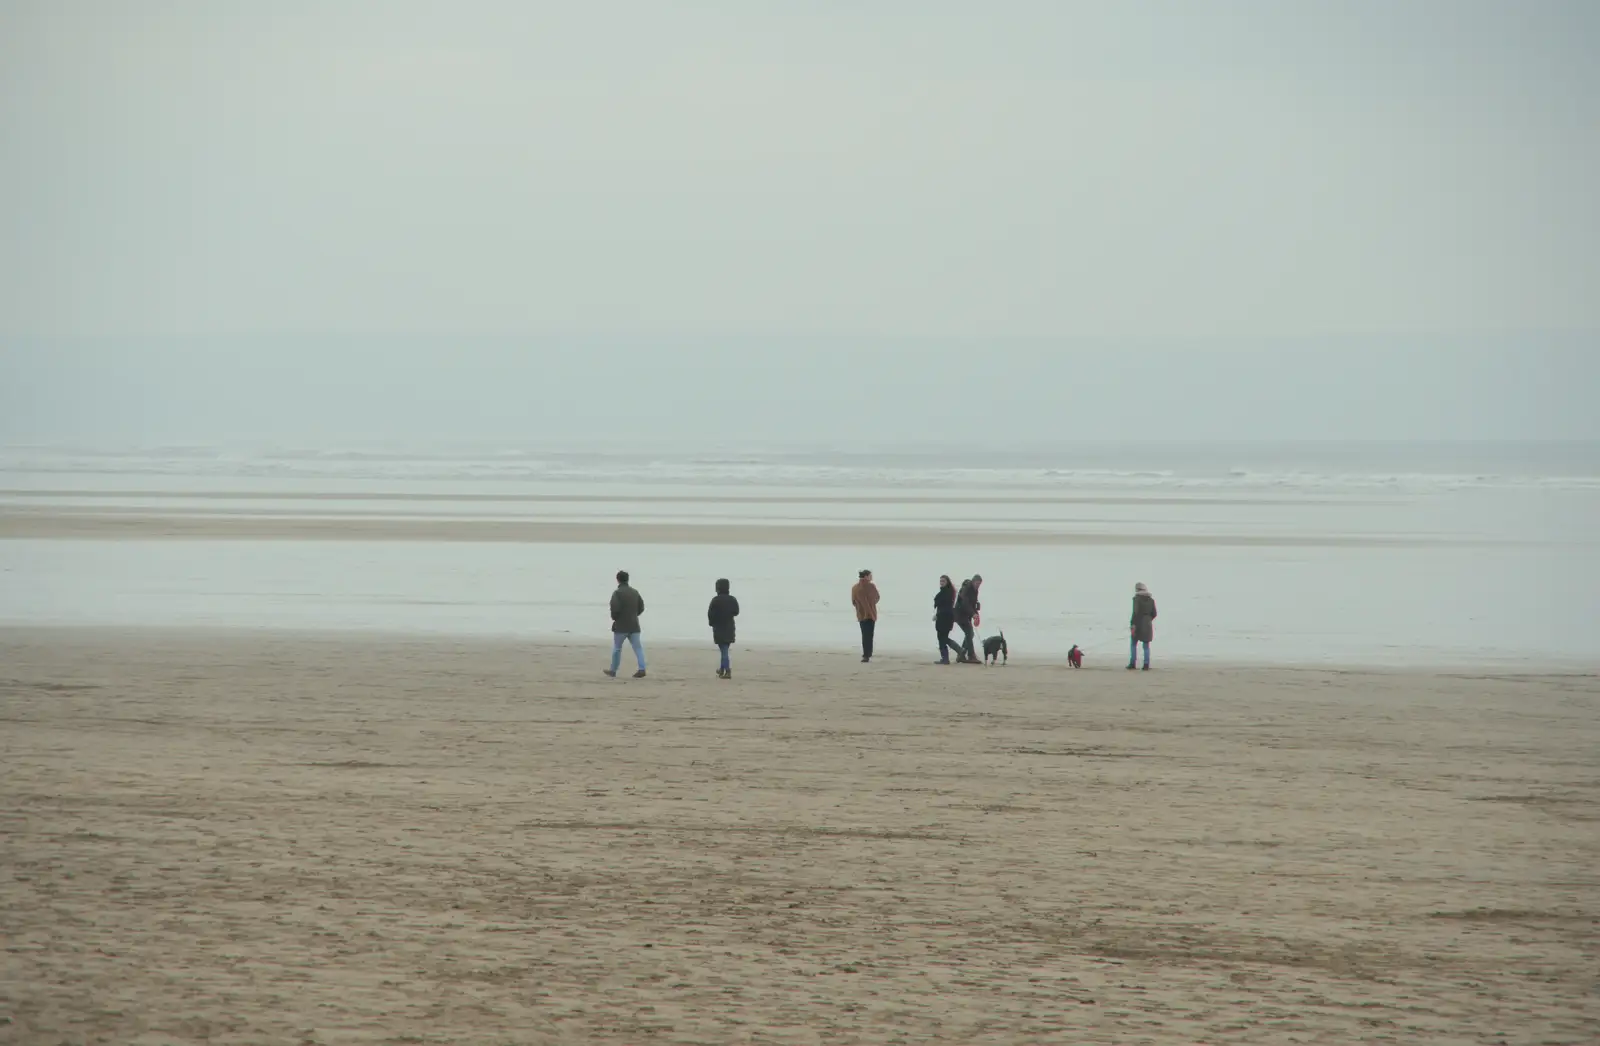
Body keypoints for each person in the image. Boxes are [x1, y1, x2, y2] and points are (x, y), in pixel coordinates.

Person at [605, 570, 646, 678]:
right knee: (638, 648)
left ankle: (613, 670)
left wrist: (615, 618)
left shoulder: (617, 593)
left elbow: (614, 608)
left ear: (617, 580)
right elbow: (641, 607)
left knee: (617, 648)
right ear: (627, 579)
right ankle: (642, 668)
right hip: (634, 625)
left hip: (621, 626)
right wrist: (634, 615)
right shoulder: (635, 592)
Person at [707, 578, 740, 679]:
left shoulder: (715, 600)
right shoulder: (732, 599)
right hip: (730, 627)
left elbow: (710, 614)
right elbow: (736, 612)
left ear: (718, 588)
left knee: (724, 650)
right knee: (724, 649)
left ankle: (727, 670)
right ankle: (722, 670)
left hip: (719, 628)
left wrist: (711, 623)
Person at [851, 569, 880, 662]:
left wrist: (860, 607)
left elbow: (853, 601)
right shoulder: (871, 586)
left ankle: (865, 655)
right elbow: (877, 598)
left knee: (864, 635)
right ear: (866, 576)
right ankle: (868, 654)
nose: (871, 577)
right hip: (870, 614)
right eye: (870, 576)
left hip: (861, 614)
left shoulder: (855, 587)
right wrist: (870, 604)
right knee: (869, 635)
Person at [1128, 582, 1157, 670]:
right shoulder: (1151, 600)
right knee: (1146, 645)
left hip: (1138, 623)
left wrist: (1132, 624)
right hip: (1147, 624)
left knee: (1133, 643)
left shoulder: (1136, 599)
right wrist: (1148, 619)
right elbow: (1154, 613)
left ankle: (1132, 663)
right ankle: (1146, 664)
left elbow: (1135, 612)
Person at [953, 574, 982, 664]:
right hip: (959, 614)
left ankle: (961, 654)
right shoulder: (966, 588)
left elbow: (972, 603)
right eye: (977, 583)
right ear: (973, 582)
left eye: (979, 584)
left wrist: (976, 614)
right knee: (969, 633)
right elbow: (965, 602)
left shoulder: (975, 590)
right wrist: (973, 613)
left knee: (970, 634)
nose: (978, 586)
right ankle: (971, 655)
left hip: (967, 615)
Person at [932, 574, 958, 664]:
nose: (941, 583)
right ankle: (945, 657)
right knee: (942, 638)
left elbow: (945, 607)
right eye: (940, 581)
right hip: (944, 617)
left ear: (947, 582)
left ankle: (945, 658)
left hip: (945, 617)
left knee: (942, 638)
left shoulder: (947, 593)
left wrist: (937, 615)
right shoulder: (945, 592)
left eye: (943, 581)